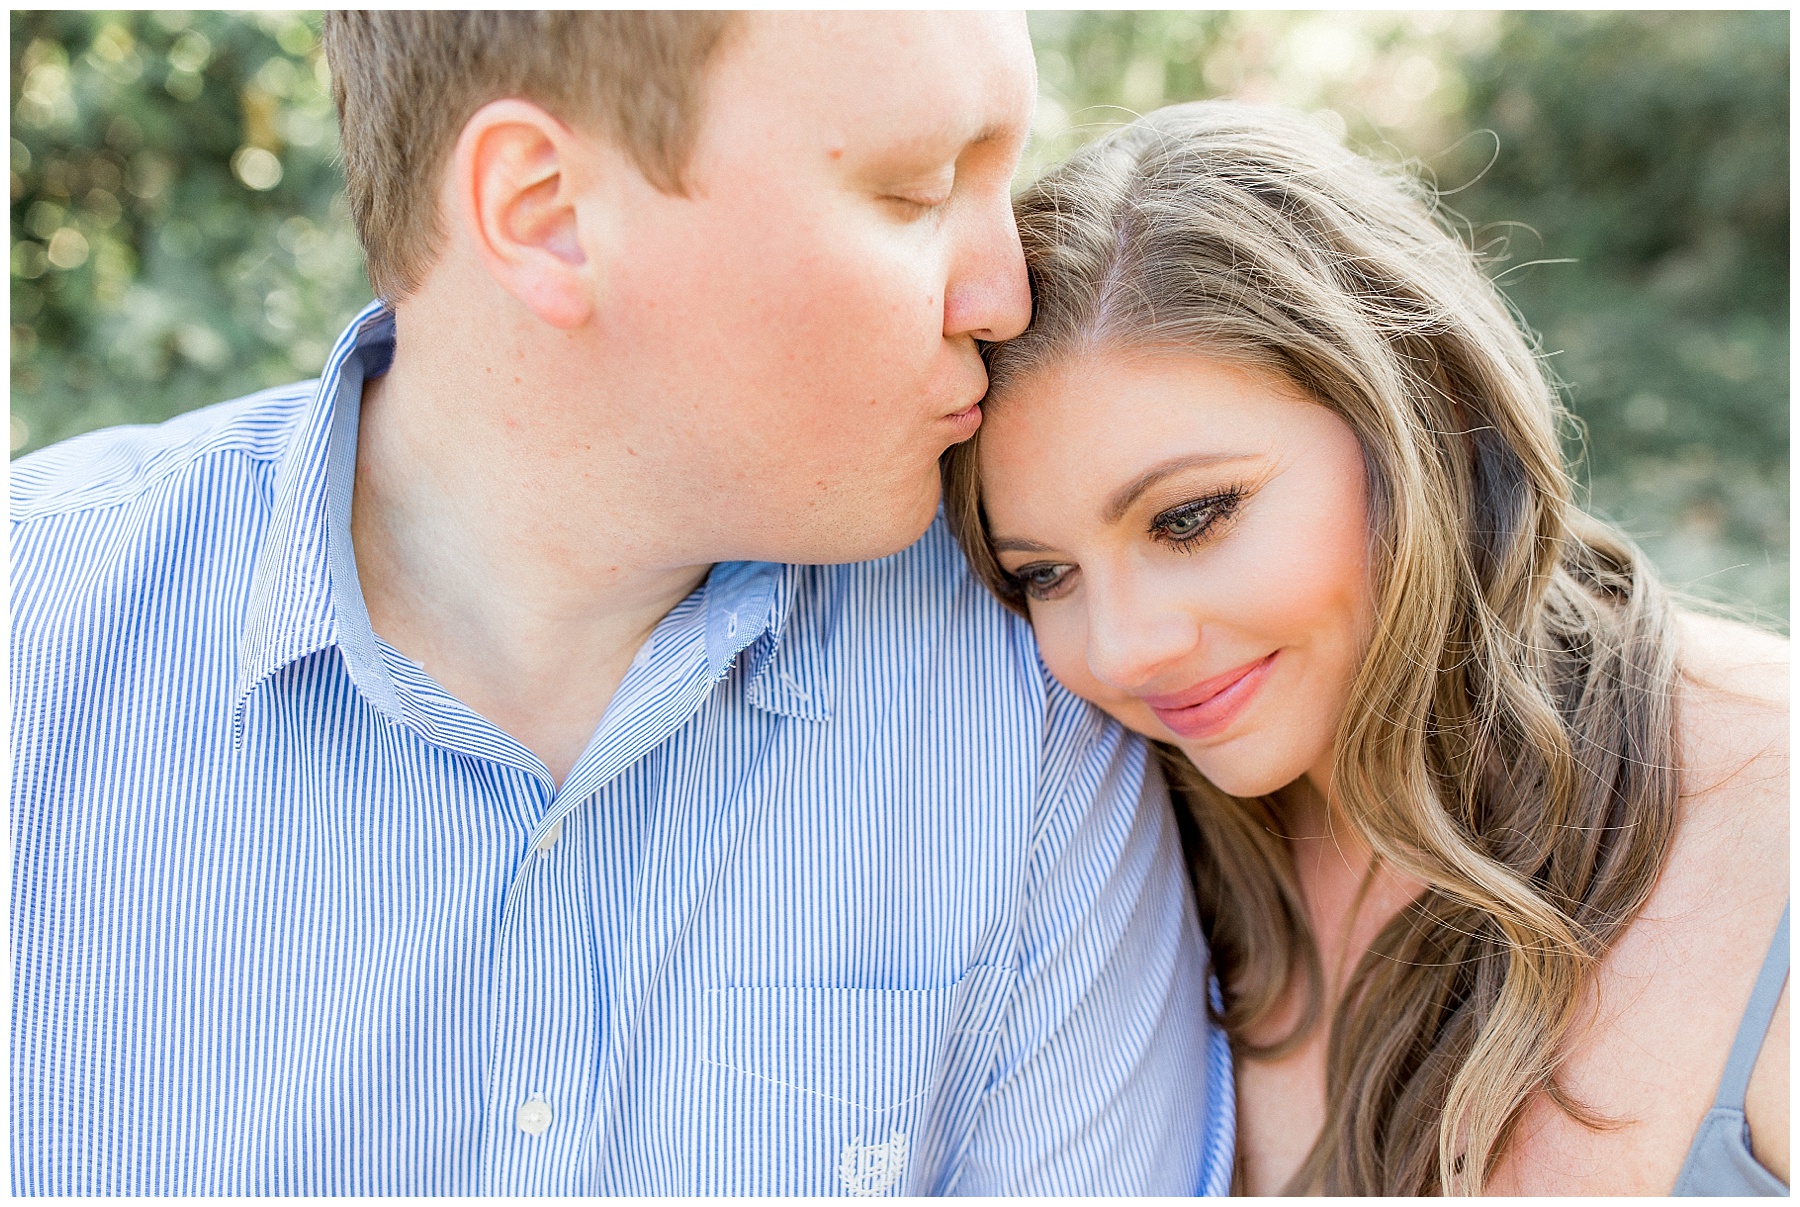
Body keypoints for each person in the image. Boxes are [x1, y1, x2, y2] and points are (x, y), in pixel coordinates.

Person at [9, 14, 1230, 1195]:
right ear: (545, 214)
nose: (1003, 298)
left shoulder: (1040, 683)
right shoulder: (32, 642)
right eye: (914, 194)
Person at [943, 100, 1789, 1195]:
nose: (1124, 649)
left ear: (1421, 408)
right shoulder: (1111, 855)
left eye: (1191, 517)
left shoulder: (1770, 818)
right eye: (1044, 574)